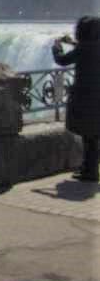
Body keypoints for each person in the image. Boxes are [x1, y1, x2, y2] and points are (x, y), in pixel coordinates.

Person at [52, 15, 100, 182]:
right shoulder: (91, 46)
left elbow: (62, 60)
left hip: (85, 97)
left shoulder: (82, 49)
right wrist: (71, 43)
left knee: (89, 135)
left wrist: (56, 47)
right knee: (94, 135)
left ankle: (90, 172)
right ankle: (89, 169)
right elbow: (88, 48)